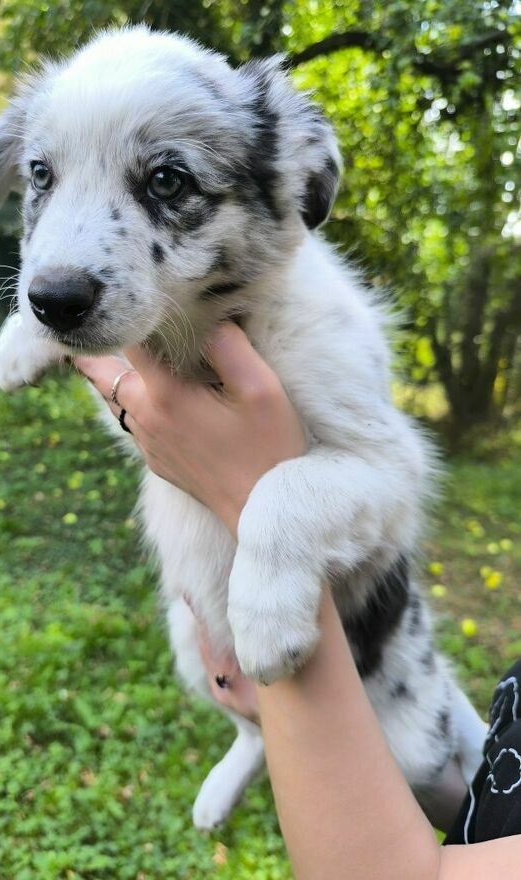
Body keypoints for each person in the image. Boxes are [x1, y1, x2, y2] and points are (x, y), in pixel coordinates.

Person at [75, 323, 521, 879]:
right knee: (195, 654)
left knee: (414, 757)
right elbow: (498, 794)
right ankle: (250, 741)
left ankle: (257, 737)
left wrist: (245, 498)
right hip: (462, 759)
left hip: (351, 653)